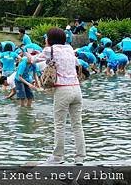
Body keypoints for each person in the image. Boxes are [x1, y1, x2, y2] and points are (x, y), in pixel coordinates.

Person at [34, 27, 86, 165]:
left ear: (50, 39)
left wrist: (27, 56)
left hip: (63, 90)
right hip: (76, 89)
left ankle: (58, 157)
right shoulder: (69, 48)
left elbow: (33, 60)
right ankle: (80, 157)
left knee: (59, 124)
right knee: (77, 124)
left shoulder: (49, 50)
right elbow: (77, 63)